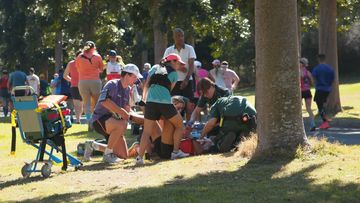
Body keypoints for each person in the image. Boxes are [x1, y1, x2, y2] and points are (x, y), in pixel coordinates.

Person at [135, 53, 190, 165]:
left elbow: (146, 85)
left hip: (150, 102)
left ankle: (139, 158)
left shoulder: (155, 67)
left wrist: (144, 99)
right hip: (165, 103)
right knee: (180, 125)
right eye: (179, 63)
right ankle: (175, 152)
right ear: (173, 61)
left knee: (147, 131)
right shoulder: (174, 74)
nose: (180, 65)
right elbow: (169, 90)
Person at [84, 64, 143, 164]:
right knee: (123, 124)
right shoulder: (112, 84)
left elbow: (127, 109)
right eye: (134, 77)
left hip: (114, 124)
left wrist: (141, 118)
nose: (136, 80)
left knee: (123, 156)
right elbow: (104, 101)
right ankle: (107, 155)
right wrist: (122, 112)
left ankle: (93, 145)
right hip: (100, 119)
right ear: (127, 75)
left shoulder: (128, 89)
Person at [163, 28, 197, 108]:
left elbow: (191, 65)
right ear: (174, 37)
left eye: (182, 36)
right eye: (178, 36)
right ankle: (177, 120)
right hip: (173, 82)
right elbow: (165, 64)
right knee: (174, 105)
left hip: (188, 80)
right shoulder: (169, 50)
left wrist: (186, 80)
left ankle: (189, 121)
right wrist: (179, 68)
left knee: (189, 105)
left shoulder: (189, 48)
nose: (181, 38)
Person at [75, 41, 104, 125]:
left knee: (86, 102)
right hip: (95, 81)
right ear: (94, 47)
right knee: (97, 102)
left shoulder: (79, 57)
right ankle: (97, 120)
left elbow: (78, 69)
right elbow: (101, 69)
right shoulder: (97, 56)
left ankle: (89, 121)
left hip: (83, 82)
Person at [312, 54, 335, 129]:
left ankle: (325, 122)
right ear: (325, 59)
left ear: (318, 59)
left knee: (319, 105)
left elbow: (314, 78)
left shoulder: (317, 68)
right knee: (323, 103)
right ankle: (326, 117)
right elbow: (333, 79)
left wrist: (315, 85)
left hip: (320, 88)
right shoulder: (330, 68)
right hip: (327, 89)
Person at [64, 50, 83, 124]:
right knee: (79, 105)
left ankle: (78, 119)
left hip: (77, 86)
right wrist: (72, 80)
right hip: (79, 86)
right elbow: (65, 76)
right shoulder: (73, 63)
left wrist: (71, 80)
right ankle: (78, 120)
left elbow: (65, 76)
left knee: (79, 105)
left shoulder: (71, 63)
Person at [299, 57, 316, 131]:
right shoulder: (308, 72)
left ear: (302, 64)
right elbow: (312, 82)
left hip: (300, 91)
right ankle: (313, 124)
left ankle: (299, 125)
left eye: (300, 62)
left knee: (298, 109)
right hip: (307, 91)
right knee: (308, 108)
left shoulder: (298, 72)